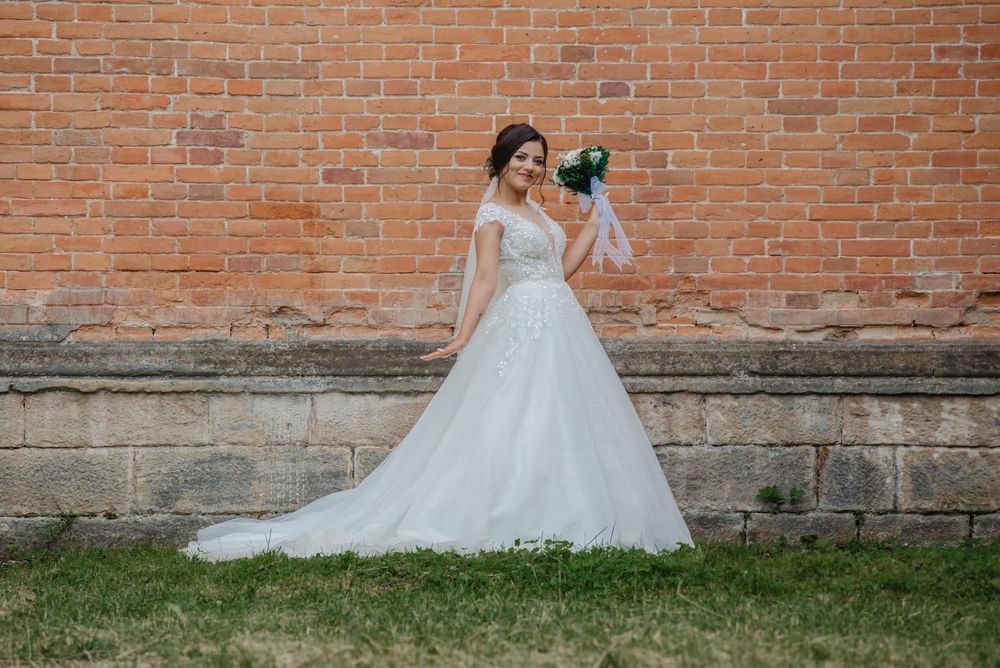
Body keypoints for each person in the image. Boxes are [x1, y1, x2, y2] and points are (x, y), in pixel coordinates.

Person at [181, 123, 694, 561]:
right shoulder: (491, 217)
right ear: (500, 161)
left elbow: (557, 271)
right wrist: (463, 335)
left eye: (538, 161)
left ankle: (578, 519)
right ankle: (501, 516)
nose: (531, 167)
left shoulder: (540, 215)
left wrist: (595, 220)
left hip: (561, 320)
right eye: (521, 157)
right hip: (523, 323)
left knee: (567, 417)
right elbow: (486, 279)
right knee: (514, 417)